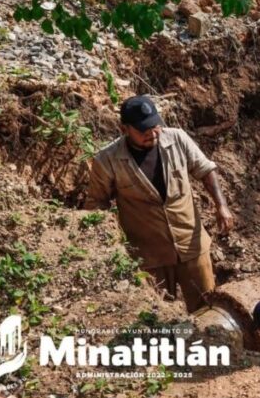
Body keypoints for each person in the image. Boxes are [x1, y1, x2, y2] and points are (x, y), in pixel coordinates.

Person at [84, 95, 236, 312]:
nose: (152, 133)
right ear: (124, 129)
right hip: (149, 257)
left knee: (208, 307)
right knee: (157, 314)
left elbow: (205, 170)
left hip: (191, 244)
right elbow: (96, 203)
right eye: (143, 130)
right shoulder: (107, 160)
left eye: (154, 126)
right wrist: (109, 247)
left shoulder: (177, 139)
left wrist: (222, 206)